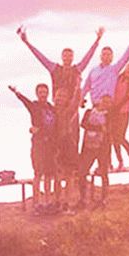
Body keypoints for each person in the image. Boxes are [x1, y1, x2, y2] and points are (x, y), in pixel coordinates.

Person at [19, 25, 102, 210]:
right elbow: (40, 58)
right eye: (65, 56)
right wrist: (27, 43)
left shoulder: (77, 69)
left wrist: (97, 41)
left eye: (69, 56)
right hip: (56, 114)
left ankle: (71, 197)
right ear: (61, 57)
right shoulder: (54, 69)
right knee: (55, 161)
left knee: (71, 160)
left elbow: (88, 58)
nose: (67, 59)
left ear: (72, 58)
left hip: (71, 114)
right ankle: (55, 199)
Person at [9, 84, 57, 209]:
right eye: (40, 92)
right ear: (37, 94)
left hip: (51, 145)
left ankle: (47, 201)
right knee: (38, 173)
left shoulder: (52, 108)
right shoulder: (34, 106)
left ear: (48, 93)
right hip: (38, 144)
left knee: (48, 174)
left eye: (45, 92)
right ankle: (37, 203)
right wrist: (17, 92)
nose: (43, 94)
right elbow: (25, 101)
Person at [84, 32, 129, 109]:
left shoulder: (114, 69)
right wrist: (81, 98)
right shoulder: (93, 71)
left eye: (108, 55)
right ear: (100, 56)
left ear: (112, 57)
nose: (106, 57)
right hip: (95, 105)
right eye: (104, 54)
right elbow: (86, 86)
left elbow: (125, 58)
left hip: (108, 106)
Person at [78, 97, 114, 207]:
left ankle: (104, 198)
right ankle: (83, 198)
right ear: (100, 101)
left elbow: (108, 131)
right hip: (88, 147)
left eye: (109, 103)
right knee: (82, 172)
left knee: (104, 173)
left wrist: (109, 157)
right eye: (105, 101)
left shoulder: (109, 115)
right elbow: (83, 124)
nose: (106, 104)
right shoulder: (89, 112)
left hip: (102, 147)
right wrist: (98, 128)